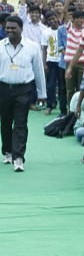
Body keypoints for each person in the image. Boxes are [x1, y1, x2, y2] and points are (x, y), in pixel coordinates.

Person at [0, 15, 47, 171]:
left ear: (21, 29)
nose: (10, 30)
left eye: (13, 28)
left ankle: (18, 157)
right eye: (7, 28)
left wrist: (42, 93)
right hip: (3, 89)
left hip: (24, 89)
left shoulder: (32, 47)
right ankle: (7, 151)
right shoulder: (0, 46)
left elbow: (39, 71)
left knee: (20, 122)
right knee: (6, 122)